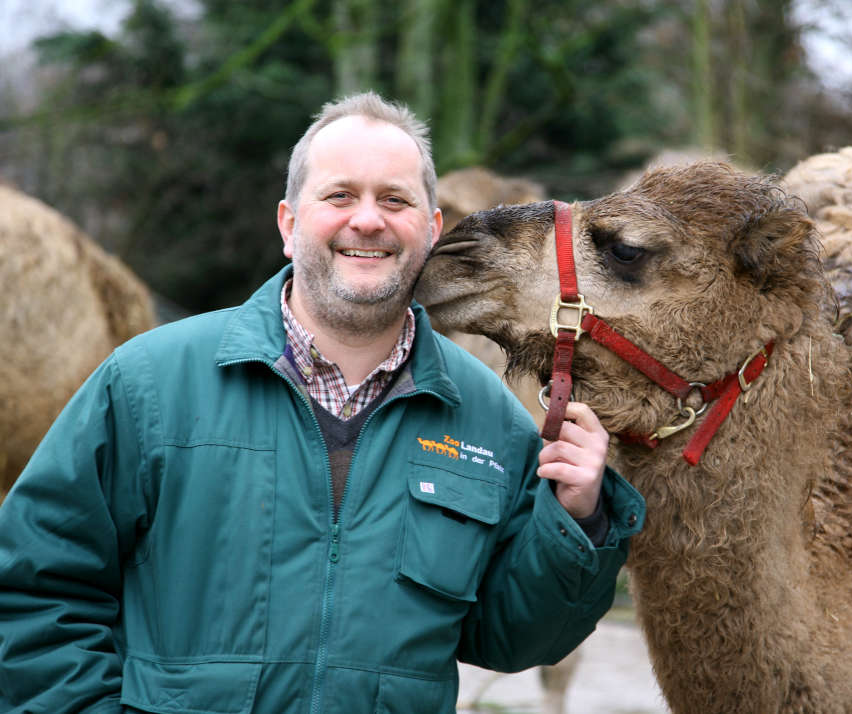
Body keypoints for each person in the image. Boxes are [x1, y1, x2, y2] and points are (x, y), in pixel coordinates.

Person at [0, 92, 645, 713]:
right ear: (287, 223)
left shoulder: (491, 421)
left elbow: (514, 639)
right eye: (339, 196)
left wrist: (576, 520)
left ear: (431, 229)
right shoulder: (149, 384)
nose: (367, 220)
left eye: (395, 199)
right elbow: (36, 590)